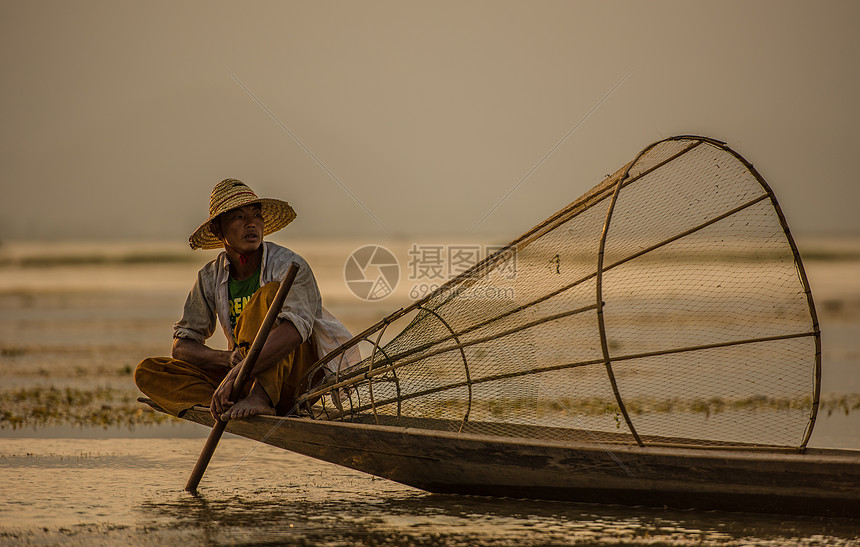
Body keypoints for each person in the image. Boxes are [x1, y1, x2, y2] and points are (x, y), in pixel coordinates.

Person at [135, 178, 354, 421]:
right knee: (149, 372)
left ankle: (261, 396)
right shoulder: (210, 277)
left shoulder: (289, 267)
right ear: (219, 230)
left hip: (296, 379)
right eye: (238, 217)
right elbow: (182, 347)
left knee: (270, 294)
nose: (251, 224)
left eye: (256, 215)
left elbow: (294, 332)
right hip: (241, 379)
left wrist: (240, 370)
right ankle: (225, 400)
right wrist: (227, 360)